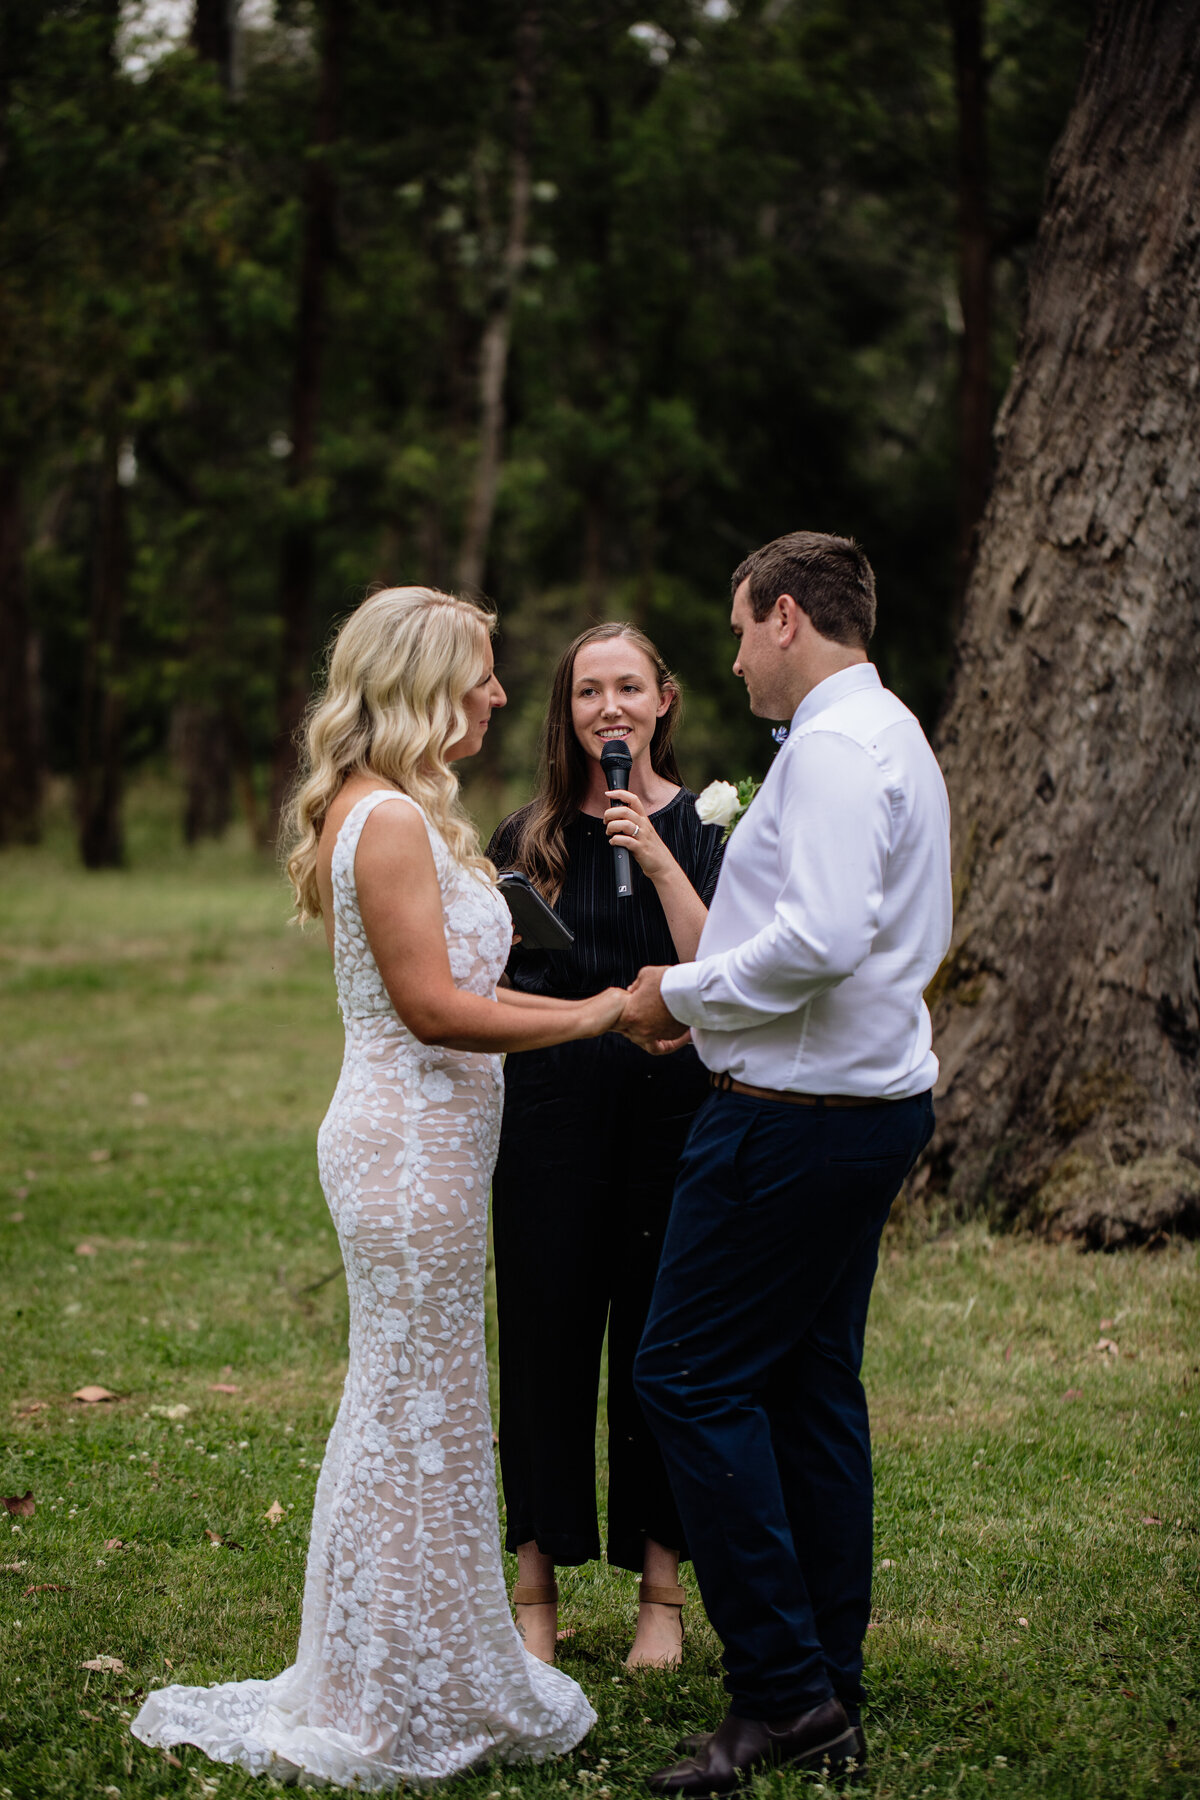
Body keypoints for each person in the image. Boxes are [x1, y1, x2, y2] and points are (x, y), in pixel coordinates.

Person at [133, 587, 628, 1788]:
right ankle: (374, 1690)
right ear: (422, 682)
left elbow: (460, 996)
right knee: (409, 1409)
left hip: (432, 1145)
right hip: (407, 1149)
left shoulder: (397, 809)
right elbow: (433, 1010)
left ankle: (411, 1664)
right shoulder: (391, 822)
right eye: (483, 675)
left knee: (428, 1407)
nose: (503, 695)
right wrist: (603, 1013)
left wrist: (576, 1005)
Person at [619, 533, 953, 1792]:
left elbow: (813, 939)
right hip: (865, 1103)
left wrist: (684, 992)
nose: (736, 655)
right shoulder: (896, 733)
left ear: (785, 616)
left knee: (689, 1377)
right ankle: (828, 1681)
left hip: (793, 1116)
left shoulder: (826, 751)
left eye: (739, 627)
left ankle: (780, 1690)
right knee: (811, 1391)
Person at [486, 623, 725, 1670]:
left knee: (657, 1345)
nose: (610, 709)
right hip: (549, 1118)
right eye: (591, 692)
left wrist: (659, 852)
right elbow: (480, 986)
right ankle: (535, 1586)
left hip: (673, 1115)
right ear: (568, 709)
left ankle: (661, 1591)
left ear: (664, 700)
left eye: (629, 688)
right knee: (545, 1339)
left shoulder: (710, 828)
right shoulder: (523, 834)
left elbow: (722, 967)